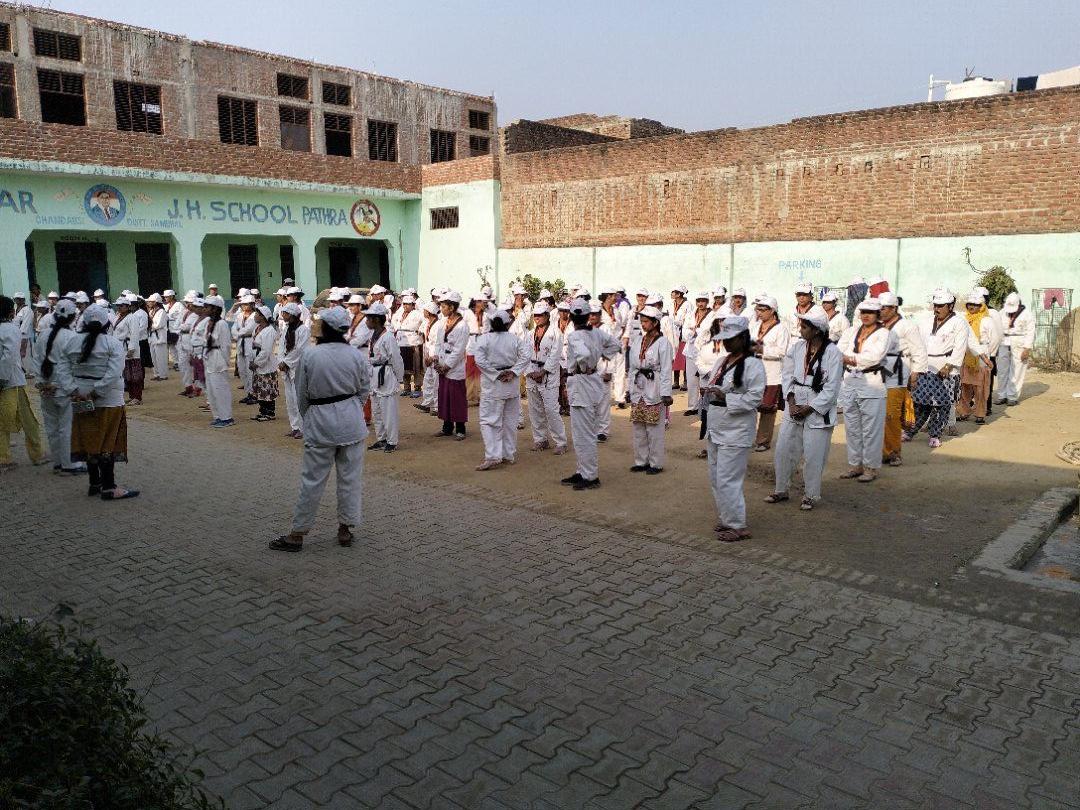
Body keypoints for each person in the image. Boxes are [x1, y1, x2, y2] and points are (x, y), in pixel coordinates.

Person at [270, 306, 372, 552]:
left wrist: (312, 417)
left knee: (312, 481)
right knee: (350, 480)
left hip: (320, 422)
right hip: (351, 423)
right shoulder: (356, 355)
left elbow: (302, 395)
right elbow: (363, 391)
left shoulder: (310, 355)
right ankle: (345, 529)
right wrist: (348, 408)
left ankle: (297, 534)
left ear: (326, 327)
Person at [54, 304, 137, 499]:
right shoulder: (112, 343)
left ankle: (95, 483)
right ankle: (109, 487)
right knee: (108, 441)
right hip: (108, 399)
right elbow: (114, 372)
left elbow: (62, 369)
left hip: (80, 397)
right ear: (107, 323)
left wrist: (74, 390)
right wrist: (97, 392)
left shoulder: (72, 342)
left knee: (89, 436)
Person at [767, 307, 843, 510]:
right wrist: (791, 402)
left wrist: (809, 408)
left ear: (817, 330)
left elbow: (832, 388)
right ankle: (781, 489)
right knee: (784, 449)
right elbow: (787, 375)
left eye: (804, 327)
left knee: (814, 454)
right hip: (795, 403)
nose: (800, 330)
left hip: (817, 407)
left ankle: (810, 495)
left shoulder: (833, 353)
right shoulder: (797, 348)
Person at [701, 315, 765, 542]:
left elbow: (756, 397)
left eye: (731, 339)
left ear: (743, 338)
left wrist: (726, 397)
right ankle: (727, 517)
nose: (726, 343)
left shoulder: (753, 365)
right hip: (717, 426)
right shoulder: (722, 361)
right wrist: (709, 391)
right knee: (716, 477)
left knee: (729, 479)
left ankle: (737, 525)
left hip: (736, 430)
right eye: (724, 339)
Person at [561, 298, 620, 491]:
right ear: (587, 316)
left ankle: (590, 476)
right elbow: (615, 345)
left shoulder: (574, 336)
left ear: (572, 317)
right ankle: (582, 470)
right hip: (590, 381)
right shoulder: (597, 332)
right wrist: (601, 357)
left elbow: (584, 354)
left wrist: (585, 362)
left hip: (581, 383)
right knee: (582, 433)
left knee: (584, 434)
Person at [837, 297, 891, 482]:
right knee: (852, 427)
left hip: (872, 382)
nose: (866, 315)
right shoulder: (851, 331)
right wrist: (851, 358)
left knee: (871, 429)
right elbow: (838, 350)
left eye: (870, 312)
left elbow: (874, 357)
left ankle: (870, 467)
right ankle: (855, 464)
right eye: (863, 312)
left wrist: (850, 358)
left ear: (877, 314)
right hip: (850, 381)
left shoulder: (883, 333)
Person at [908, 290, 970, 448]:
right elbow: (917, 343)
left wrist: (949, 366)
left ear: (950, 306)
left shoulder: (959, 323)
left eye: (941, 306)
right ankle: (910, 432)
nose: (937, 309)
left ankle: (935, 435)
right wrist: (915, 366)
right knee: (920, 403)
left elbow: (960, 347)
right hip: (925, 366)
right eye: (935, 305)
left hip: (946, 368)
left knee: (941, 405)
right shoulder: (925, 322)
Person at [32, 298, 85, 475]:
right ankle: (69, 464)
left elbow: (36, 360)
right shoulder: (72, 337)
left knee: (52, 427)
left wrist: (43, 383)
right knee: (67, 426)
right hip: (64, 389)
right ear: (72, 318)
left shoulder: (43, 335)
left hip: (46, 387)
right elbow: (75, 366)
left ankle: (58, 462)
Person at [473, 309, 530, 469]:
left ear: (491, 323)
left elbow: (479, 360)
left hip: (493, 385)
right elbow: (527, 355)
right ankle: (507, 454)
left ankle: (493, 456)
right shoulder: (514, 339)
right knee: (510, 422)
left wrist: (495, 374)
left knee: (489, 421)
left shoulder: (484, 339)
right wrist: (513, 372)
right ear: (508, 323)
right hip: (511, 384)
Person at [878, 292, 927, 466]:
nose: (881, 311)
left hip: (898, 370)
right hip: (877, 372)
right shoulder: (877, 325)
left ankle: (894, 452)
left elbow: (919, 350)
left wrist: (916, 372)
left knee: (892, 414)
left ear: (894, 308)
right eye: (880, 308)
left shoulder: (907, 326)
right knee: (877, 414)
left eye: (885, 308)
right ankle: (882, 451)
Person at [0, 296, 47, 472]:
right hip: (10, 381)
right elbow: (10, 357)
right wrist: (2, 379)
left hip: (10, 380)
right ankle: (30, 455)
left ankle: (33, 454)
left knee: (14, 420)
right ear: (11, 312)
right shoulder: (10, 329)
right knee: (22, 420)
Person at [628, 305, 674, 474]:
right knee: (638, 427)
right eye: (642, 321)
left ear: (655, 323)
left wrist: (666, 393)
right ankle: (641, 461)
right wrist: (629, 389)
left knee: (654, 429)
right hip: (638, 388)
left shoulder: (663, 343)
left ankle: (655, 463)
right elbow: (632, 367)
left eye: (646, 321)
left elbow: (666, 369)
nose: (643, 324)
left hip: (654, 388)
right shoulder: (638, 340)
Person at [525, 300, 567, 454]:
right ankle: (540, 439)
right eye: (535, 315)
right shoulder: (530, 334)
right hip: (532, 374)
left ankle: (561, 442)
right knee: (535, 410)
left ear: (547, 315)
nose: (537, 318)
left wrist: (542, 372)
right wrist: (530, 372)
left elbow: (555, 355)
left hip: (548, 375)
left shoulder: (556, 333)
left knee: (551, 410)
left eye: (540, 315)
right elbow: (524, 354)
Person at [749, 295, 790, 452]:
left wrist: (763, 350)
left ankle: (763, 440)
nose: (759, 312)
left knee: (767, 408)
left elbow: (782, 351)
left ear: (772, 311)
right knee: (750, 405)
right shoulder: (755, 326)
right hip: (754, 372)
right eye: (757, 309)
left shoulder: (781, 329)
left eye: (762, 309)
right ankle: (748, 437)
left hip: (772, 373)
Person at [364, 302, 403, 452]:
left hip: (386, 374)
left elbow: (396, 359)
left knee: (388, 410)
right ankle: (381, 439)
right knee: (377, 410)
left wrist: (398, 378)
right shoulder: (372, 335)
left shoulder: (388, 337)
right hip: (374, 374)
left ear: (377, 319)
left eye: (369, 319)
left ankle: (392, 441)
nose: (366, 321)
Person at [433, 291, 470, 439]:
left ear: (452, 307)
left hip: (454, 367)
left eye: (443, 306)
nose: (441, 309)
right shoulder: (442, 323)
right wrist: (436, 359)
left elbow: (459, 350)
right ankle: (447, 427)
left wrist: (447, 366)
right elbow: (438, 343)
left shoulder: (462, 326)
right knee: (445, 396)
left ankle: (460, 428)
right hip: (442, 364)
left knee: (457, 398)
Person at [957, 291, 996, 425]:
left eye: (975, 304)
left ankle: (980, 414)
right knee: (964, 387)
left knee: (980, 389)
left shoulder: (987, 320)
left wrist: (986, 353)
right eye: (969, 304)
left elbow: (995, 340)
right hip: (966, 357)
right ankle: (964, 411)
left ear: (981, 306)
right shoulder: (963, 319)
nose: (971, 307)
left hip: (981, 359)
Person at [995, 292, 1035, 406]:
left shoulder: (1027, 314)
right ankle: (1002, 395)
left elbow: (1031, 332)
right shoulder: (1002, 312)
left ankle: (1012, 396)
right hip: (1004, 342)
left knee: (1017, 370)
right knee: (1002, 370)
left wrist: (1027, 348)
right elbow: (997, 328)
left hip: (1019, 342)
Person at [278, 303, 309, 439]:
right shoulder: (286, 329)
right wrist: (281, 361)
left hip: (297, 367)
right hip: (286, 367)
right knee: (290, 400)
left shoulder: (303, 330)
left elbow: (300, 349)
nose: (283, 316)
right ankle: (295, 427)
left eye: (285, 313)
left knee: (298, 400)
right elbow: (281, 346)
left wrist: (286, 362)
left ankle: (303, 428)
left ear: (292, 315)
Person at [682, 292, 712, 415]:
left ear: (707, 302)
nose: (700, 303)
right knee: (691, 381)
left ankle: (705, 406)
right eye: (698, 301)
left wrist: (696, 331)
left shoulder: (712, 315)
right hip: (691, 351)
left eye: (703, 301)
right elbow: (684, 332)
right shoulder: (690, 315)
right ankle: (692, 407)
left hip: (705, 352)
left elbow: (709, 332)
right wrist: (692, 333)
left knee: (705, 380)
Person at [111, 297, 145, 406]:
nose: (119, 308)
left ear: (128, 307)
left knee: (134, 374)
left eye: (121, 306)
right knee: (127, 375)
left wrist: (131, 349)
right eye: (118, 306)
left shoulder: (132, 317)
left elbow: (134, 334)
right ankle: (132, 396)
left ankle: (137, 397)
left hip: (129, 348)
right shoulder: (118, 317)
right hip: (120, 348)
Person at [248, 305, 279, 422]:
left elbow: (266, 351)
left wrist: (256, 363)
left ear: (263, 317)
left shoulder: (269, 331)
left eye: (257, 314)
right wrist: (252, 360)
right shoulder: (257, 328)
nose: (255, 316)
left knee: (267, 389)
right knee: (260, 388)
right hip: (257, 362)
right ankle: (263, 412)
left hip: (266, 364)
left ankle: (269, 413)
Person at [392, 294, 424, 398]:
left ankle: (418, 387)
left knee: (416, 367)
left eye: (408, 304)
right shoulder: (399, 313)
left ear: (413, 305)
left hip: (413, 342)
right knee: (403, 366)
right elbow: (393, 321)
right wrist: (396, 328)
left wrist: (420, 330)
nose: (406, 306)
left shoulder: (418, 313)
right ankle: (406, 388)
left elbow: (425, 322)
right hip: (401, 342)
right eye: (404, 304)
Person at [231, 294, 257, 404]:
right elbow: (233, 327)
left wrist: (237, 334)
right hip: (240, 344)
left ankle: (254, 394)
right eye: (243, 304)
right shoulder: (240, 315)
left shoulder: (255, 315)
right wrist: (236, 334)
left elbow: (249, 329)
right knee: (242, 370)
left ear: (252, 304)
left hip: (250, 343)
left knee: (250, 371)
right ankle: (248, 393)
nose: (244, 306)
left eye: (246, 304)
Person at [178, 292, 201, 397]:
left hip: (192, 340)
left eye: (189, 302)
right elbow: (177, 325)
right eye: (186, 302)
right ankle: (188, 386)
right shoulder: (184, 312)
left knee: (195, 365)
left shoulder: (197, 314)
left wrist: (182, 326)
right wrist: (182, 326)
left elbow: (187, 326)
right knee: (183, 364)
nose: (187, 304)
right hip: (182, 339)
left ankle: (197, 387)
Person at [669, 286, 689, 390]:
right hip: (673, 334)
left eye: (673, 292)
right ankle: (676, 381)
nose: (671, 294)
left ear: (679, 294)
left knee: (684, 358)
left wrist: (677, 323)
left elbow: (688, 319)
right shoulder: (671, 304)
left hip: (683, 334)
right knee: (675, 357)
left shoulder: (687, 305)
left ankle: (685, 381)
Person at [146, 293, 170, 382]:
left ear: (155, 302)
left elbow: (158, 325)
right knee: (153, 357)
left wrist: (149, 326)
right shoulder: (151, 311)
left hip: (159, 337)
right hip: (152, 337)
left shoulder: (161, 312)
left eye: (150, 301)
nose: (148, 303)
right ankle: (156, 374)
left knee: (161, 357)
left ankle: (163, 375)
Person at [164, 289, 183, 370]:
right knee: (171, 346)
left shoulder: (179, 305)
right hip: (168, 328)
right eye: (165, 297)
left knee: (178, 346)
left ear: (172, 297)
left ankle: (181, 363)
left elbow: (182, 316)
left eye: (167, 297)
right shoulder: (166, 306)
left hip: (176, 328)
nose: (165, 298)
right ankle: (176, 362)